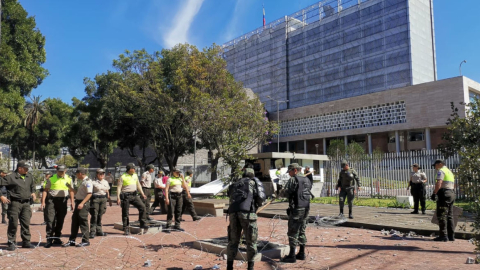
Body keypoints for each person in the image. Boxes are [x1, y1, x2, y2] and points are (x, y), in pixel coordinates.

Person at [226, 167, 266, 270]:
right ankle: (250, 267)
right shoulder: (253, 182)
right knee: (251, 242)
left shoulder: (235, 184)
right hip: (247, 215)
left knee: (233, 241)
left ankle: (229, 267)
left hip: (233, 214)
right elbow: (261, 198)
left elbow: (229, 196)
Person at [0, 161, 36, 251]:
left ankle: (26, 242)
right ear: (19, 168)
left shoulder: (29, 176)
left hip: (26, 203)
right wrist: (1, 196)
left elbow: (32, 185)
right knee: (13, 223)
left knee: (26, 223)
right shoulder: (10, 177)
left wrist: (33, 192)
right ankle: (11, 243)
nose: (27, 170)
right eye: (25, 168)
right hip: (15, 203)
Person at [281, 163, 311, 263]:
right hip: (306, 208)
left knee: (293, 231)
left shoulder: (293, 179)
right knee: (302, 230)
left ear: (294, 170)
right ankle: (301, 253)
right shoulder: (307, 179)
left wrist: (280, 192)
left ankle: (292, 255)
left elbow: (286, 193)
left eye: (289, 171)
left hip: (297, 209)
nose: (289, 174)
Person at [42, 165, 74, 248]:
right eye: (59, 171)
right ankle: (49, 239)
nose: (61, 173)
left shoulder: (68, 179)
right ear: (56, 170)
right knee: (50, 220)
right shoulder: (51, 178)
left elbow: (71, 191)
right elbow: (45, 190)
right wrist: (43, 202)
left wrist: (72, 202)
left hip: (63, 201)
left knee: (60, 219)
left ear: (65, 171)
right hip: (52, 201)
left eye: (62, 171)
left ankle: (57, 238)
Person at [116, 163, 148, 235]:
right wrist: (118, 197)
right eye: (133, 168)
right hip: (126, 196)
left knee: (142, 207)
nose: (134, 169)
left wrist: (142, 193)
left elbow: (138, 185)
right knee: (125, 213)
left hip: (134, 195)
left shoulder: (135, 175)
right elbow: (119, 187)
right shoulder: (122, 177)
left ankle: (142, 223)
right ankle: (126, 228)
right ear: (130, 169)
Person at [64, 167, 92, 247]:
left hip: (83, 203)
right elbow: (78, 193)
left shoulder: (88, 182)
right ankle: (72, 240)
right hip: (78, 202)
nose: (76, 175)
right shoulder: (82, 182)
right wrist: (70, 187)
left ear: (80, 173)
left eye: (76, 174)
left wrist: (82, 203)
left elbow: (89, 194)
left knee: (83, 222)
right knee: (75, 221)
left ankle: (85, 240)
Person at [430, 159, 456, 242]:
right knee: (450, 215)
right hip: (451, 193)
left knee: (441, 214)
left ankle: (443, 236)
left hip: (444, 193)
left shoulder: (441, 171)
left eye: (435, 165)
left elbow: (439, 183)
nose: (435, 167)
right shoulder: (449, 171)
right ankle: (451, 236)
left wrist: (434, 193)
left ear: (440, 164)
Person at [89, 168, 111, 239]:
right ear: (97, 174)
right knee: (94, 215)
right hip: (95, 199)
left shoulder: (105, 182)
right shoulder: (93, 182)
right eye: (100, 174)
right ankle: (92, 231)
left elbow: (107, 191)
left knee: (100, 214)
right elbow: (89, 192)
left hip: (103, 199)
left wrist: (109, 199)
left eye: (103, 174)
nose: (102, 175)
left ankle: (99, 230)